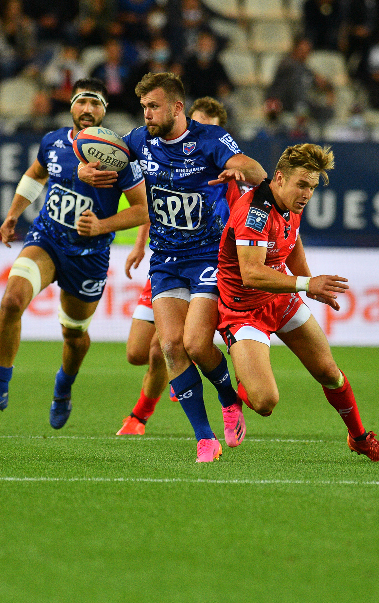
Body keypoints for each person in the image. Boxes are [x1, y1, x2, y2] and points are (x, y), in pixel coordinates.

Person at [80, 73, 266, 461]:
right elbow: (104, 160)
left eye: (154, 106)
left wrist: (239, 168)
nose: (146, 114)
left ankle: (228, 397)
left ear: (177, 107)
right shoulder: (139, 140)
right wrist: (85, 170)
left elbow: (255, 171)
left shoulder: (209, 139)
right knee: (168, 346)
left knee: (196, 344)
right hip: (166, 258)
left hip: (210, 256)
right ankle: (205, 438)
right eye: (143, 107)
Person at [0, 78, 149, 426]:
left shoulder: (118, 155)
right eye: (82, 101)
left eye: (96, 103)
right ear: (72, 106)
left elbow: (143, 210)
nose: (88, 109)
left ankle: (63, 387)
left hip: (89, 255)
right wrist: (13, 214)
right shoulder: (53, 141)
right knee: (11, 301)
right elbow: (36, 174)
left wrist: (102, 226)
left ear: (104, 110)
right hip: (47, 239)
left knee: (74, 337)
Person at [215, 143, 379, 462]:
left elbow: (292, 239)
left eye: (312, 187)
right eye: (302, 184)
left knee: (329, 372)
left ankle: (359, 439)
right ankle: (232, 392)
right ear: (279, 178)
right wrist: (305, 283)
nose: (307, 194)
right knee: (264, 403)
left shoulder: (291, 205)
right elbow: (251, 273)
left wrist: (307, 280)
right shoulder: (255, 213)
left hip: (279, 298)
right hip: (243, 310)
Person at [116, 96, 238, 436]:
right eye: (198, 125)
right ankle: (184, 373)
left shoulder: (225, 176)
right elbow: (154, 202)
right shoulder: (159, 151)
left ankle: (141, 415)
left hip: (206, 261)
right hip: (167, 259)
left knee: (170, 346)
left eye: (210, 130)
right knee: (138, 352)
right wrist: (139, 244)